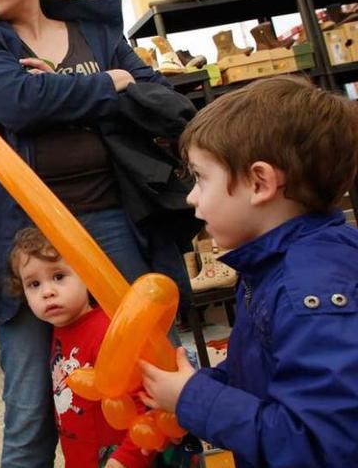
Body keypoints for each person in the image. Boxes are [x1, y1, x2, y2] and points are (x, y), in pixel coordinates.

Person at [0, 0, 197, 465]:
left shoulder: (97, 30)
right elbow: (18, 103)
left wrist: (63, 89)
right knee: (29, 403)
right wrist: (109, 83)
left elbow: (167, 103)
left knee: (156, 372)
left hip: (114, 219)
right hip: (25, 237)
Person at [140, 76, 358, 467]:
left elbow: (319, 446)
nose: (191, 196)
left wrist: (194, 398)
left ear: (259, 182)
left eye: (200, 177)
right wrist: (197, 388)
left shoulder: (310, 292)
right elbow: (264, 376)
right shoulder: (275, 267)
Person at [7, 227, 153, 468]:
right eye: (33, 284)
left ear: (86, 274)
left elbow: (142, 403)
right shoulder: (58, 330)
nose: (47, 292)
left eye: (58, 276)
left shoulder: (106, 331)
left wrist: (126, 458)